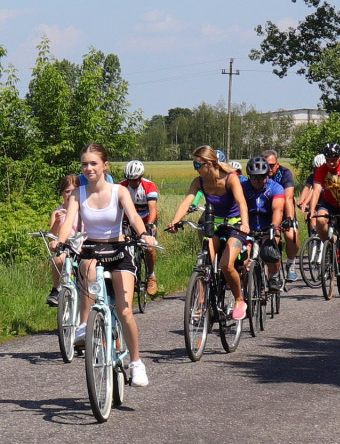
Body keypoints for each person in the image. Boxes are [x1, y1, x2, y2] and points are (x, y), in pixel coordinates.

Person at [56, 143, 157, 387]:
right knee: (86, 269)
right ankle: (86, 324)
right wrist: (60, 242)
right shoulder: (79, 193)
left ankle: (136, 363)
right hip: (92, 248)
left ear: (105, 166)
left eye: (93, 163)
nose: (89, 168)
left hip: (119, 250)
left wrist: (143, 234)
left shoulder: (118, 192)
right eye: (84, 164)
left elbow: (133, 217)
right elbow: (69, 221)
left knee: (124, 311)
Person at [165, 145, 251, 320]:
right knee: (205, 263)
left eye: (198, 165)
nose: (195, 169)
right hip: (214, 225)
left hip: (235, 225)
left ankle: (239, 299)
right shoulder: (199, 182)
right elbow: (187, 201)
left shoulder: (230, 179)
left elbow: (242, 202)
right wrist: (175, 221)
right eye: (194, 164)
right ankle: (202, 301)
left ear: (210, 164)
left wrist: (245, 224)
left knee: (227, 265)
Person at [310, 142, 340, 286]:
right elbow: (317, 191)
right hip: (329, 203)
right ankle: (328, 246)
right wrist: (312, 210)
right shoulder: (321, 170)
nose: (331, 163)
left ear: (339, 157)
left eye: (334, 160)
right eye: (328, 159)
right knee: (320, 220)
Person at [241, 156, 286, 288]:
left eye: (261, 177)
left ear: (267, 174)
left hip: (268, 225)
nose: (258, 180)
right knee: (242, 258)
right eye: (254, 177)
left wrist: (274, 226)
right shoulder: (243, 187)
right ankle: (245, 290)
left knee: (269, 250)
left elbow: (278, 209)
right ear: (249, 176)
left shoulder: (276, 188)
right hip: (248, 226)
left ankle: (274, 275)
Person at [119, 160, 160, 295]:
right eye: (129, 180)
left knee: (148, 248)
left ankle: (151, 276)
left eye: (135, 180)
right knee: (123, 246)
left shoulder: (149, 186)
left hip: (147, 219)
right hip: (128, 221)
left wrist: (151, 224)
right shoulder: (121, 187)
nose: (132, 183)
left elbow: (152, 208)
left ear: (140, 177)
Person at [262, 150, 300, 282]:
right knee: (271, 239)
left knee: (291, 236)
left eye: (272, 165)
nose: (269, 168)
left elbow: (289, 198)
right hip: (268, 211)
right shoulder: (259, 173)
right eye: (266, 165)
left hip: (284, 208)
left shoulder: (285, 173)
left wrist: (289, 219)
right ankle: (268, 271)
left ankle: (291, 262)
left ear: (277, 164)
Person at [44, 174, 80, 306]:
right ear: (61, 193)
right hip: (65, 246)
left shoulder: (82, 209)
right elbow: (51, 235)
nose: (70, 194)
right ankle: (57, 289)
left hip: (82, 245)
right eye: (67, 191)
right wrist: (57, 222)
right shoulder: (57, 212)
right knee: (57, 259)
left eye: (74, 191)